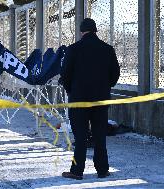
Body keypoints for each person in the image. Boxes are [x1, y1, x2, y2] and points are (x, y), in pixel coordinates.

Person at [60, 18, 120, 180]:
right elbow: (115, 74)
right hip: (101, 98)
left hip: (79, 98)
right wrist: (105, 86)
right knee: (100, 134)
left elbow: (65, 75)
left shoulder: (73, 49)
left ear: (81, 31)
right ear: (95, 31)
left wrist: (71, 90)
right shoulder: (108, 49)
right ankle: (102, 170)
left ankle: (77, 171)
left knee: (80, 136)